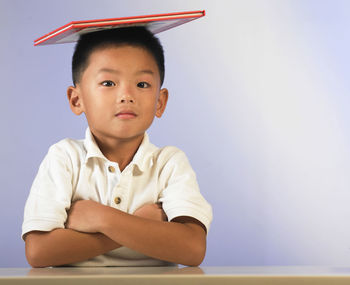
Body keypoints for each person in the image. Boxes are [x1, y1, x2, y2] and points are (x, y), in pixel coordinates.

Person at [22, 26, 212, 268]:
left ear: (160, 102)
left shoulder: (169, 163)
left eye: (142, 84)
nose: (126, 95)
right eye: (109, 82)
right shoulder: (64, 158)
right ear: (76, 99)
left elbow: (192, 249)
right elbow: (39, 252)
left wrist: (101, 218)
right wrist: (138, 224)